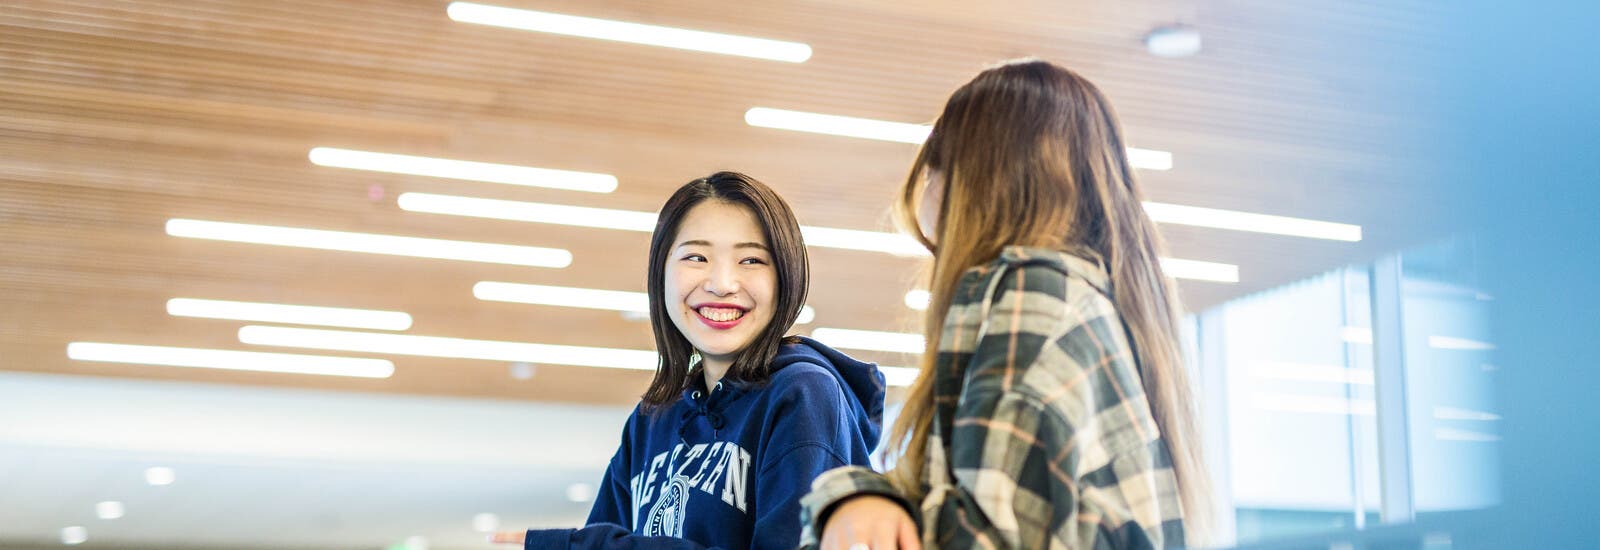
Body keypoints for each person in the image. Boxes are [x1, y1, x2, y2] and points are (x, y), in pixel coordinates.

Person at [801, 59, 1208, 549]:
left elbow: (983, 538)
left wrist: (847, 496)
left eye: (935, 167)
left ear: (966, 178)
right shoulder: (1087, 302)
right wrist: (866, 497)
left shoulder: (1034, 295)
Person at [497, 171, 885, 549]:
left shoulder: (804, 393)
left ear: (786, 277)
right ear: (661, 274)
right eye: (696, 257)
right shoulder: (653, 419)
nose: (721, 284)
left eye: (751, 260)